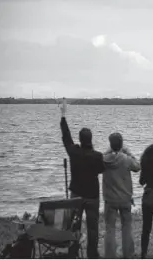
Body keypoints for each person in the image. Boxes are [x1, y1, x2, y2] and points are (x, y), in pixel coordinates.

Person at [60, 98, 105, 259]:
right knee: (93, 228)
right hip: (92, 196)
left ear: (80, 139)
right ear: (91, 139)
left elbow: (66, 138)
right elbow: (101, 169)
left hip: (76, 195)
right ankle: (92, 254)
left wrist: (63, 116)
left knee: (75, 226)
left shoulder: (74, 152)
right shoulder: (97, 156)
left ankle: (73, 253)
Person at [103, 132, 141, 259]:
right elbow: (137, 166)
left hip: (110, 199)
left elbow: (98, 161)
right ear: (121, 144)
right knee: (126, 227)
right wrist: (129, 152)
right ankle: (128, 254)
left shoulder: (104, 160)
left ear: (110, 144)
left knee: (110, 228)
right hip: (125, 198)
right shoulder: (126, 159)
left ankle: (110, 256)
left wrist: (107, 152)